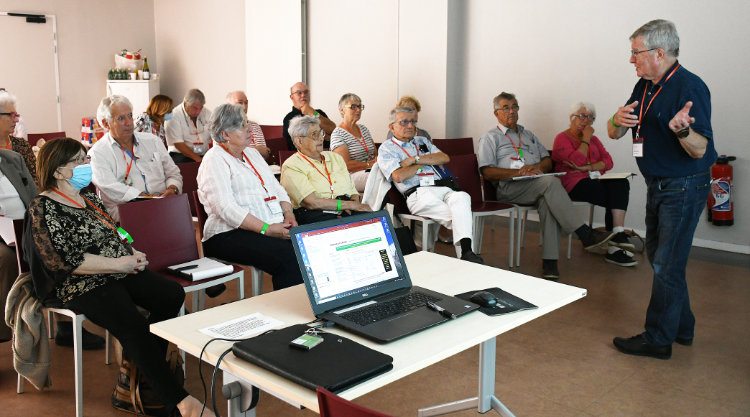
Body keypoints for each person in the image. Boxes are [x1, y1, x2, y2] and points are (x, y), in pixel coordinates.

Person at [27, 138, 213, 417]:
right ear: (57, 171)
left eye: (84, 158)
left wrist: (132, 250)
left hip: (119, 267)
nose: (85, 165)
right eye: (78, 161)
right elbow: (64, 261)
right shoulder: (44, 208)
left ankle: (140, 370)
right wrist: (119, 263)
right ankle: (180, 402)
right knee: (132, 324)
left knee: (171, 294)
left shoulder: (88, 198)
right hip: (82, 281)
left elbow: (115, 231)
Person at [609, 20, 717, 360]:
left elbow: (701, 150)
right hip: (658, 185)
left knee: (666, 264)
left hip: (683, 186)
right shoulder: (644, 85)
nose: (631, 60)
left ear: (659, 53)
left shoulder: (689, 87)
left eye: (635, 53)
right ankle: (682, 327)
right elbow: (614, 133)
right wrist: (615, 120)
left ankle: (658, 339)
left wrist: (683, 132)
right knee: (660, 259)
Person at [477, 92, 614, 279]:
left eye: (515, 106)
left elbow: (547, 160)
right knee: (551, 182)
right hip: (510, 187)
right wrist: (519, 172)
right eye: (506, 108)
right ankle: (583, 233)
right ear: (496, 113)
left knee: (548, 199)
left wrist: (536, 168)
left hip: (536, 183)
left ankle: (550, 263)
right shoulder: (490, 138)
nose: (511, 111)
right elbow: (486, 171)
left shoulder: (529, 135)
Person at [197, 104, 303, 291]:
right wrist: (266, 229)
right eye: (241, 126)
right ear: (225, 135)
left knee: (310, 245)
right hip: (227, 234)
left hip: (269, 224)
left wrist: (289, 215)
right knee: (290, 257)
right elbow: (225, 207)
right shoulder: (214, 159)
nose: (249, 129)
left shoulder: (252, 153)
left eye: (246, 123)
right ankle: (290, 315)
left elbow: (278, 189)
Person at [377, 107, 484, 264]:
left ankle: (467, 255)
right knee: (462, 216)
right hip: (418, 194)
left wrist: (415, 160)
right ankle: (467, 255)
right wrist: (425, 163)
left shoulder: (422, 141)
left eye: (413, 121)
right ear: (391, 127)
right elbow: (399, 175)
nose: (410, 126)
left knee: (462, 196)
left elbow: (444, 157)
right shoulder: (387, 149)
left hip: (443, 188)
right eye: (404, 122)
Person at [551, 101, 637, 267]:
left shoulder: (595, 140)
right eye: (582, 116)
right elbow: (576, 159)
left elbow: (608, 161)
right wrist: (587, 138)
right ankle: (615, 248)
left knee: (621, 183)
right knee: (613, 197)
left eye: (591, 117)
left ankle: (618, 233)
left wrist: (586, 167)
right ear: (572, 118)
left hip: (594, 180)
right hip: (573, 184)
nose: (587, 121)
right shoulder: (562, 138)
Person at [89, 95, 182, 221]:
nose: (128, 123)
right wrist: (145, 198)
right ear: (106, 123)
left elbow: (174, 173)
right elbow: (110, 187)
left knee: (183, 234)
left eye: (130, 115)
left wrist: (173, 189)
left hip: (163, 207)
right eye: (121, 118)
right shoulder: (97, 153)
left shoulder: (153, 141)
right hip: (126, 213)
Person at [281, 115, 371, 225]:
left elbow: (353, 192)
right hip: (315, 212)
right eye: (315, 135)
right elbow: (311, 202)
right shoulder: (292, 165)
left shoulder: (335, 158)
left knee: (375, 219)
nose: (321, 138)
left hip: (345, 208)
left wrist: (351, 207)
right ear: (299, 141)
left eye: (321, 133)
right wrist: (348, 205)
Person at [0, 149, 38, 342]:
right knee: (6, 259)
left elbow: (34, 196)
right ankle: (2, 333)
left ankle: (64, 322)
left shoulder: (13, 158)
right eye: (10, 115)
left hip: (24, 227)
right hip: (2, 234)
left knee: (56, 247)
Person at [330, 93, 377, 192]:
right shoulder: (338, 133)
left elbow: (375, 154)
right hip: (349, 176)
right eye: (353, 107)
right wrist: (369, 165)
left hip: (370, 169)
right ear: (342, 110)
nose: (358, 110)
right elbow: (345, 165)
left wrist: (376, 162)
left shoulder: (364, 129)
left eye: (360, 106)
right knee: (377, 177)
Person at [282, 82, 335, 150]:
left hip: (327, 156)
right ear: (292, 97)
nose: (303, 95)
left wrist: (313, 113)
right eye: (299, 93)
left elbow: (333, 130)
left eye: (306, 92)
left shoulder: (318, 112)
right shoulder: (289, 118)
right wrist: (325, 136)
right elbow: (295, 146)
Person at [165, 89, 212, 163]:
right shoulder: (173, 116)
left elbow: (216, 130)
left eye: (201, 108)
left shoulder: (206, 112)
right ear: (186, 104)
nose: (198, 111)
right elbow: (178, 144)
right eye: (195, 108)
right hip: (180, 155)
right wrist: (199, 160)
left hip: (202, 154)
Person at [0, 90, 36, 181]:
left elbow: (34, 180)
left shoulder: (22, 145)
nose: (16, 120)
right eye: (12, 115)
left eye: (16, 115)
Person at [226, 90, 271, 160]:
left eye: (246, 103)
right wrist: (256, 150)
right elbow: (223, 154)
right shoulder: (222, 127)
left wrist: (239, 151)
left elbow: (265, 154)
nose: (244, 107)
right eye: (240, 103)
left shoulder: (255, 126)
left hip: (255, 167)